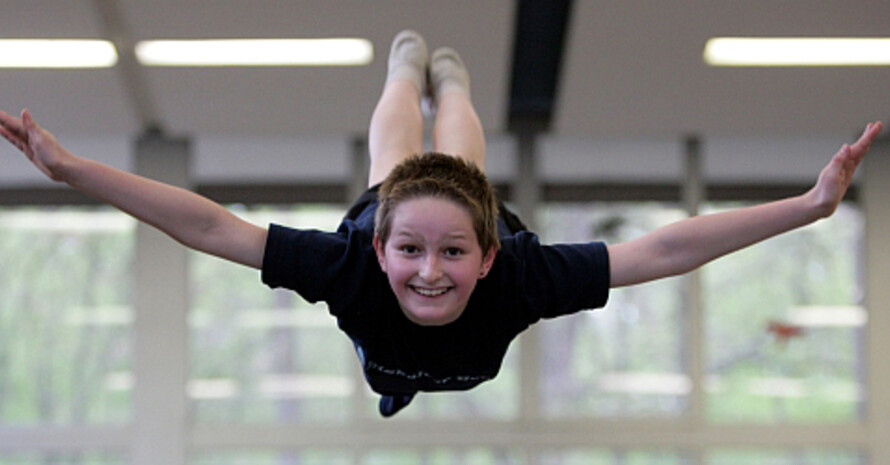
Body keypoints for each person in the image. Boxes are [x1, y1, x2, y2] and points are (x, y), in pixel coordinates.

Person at [0, 30, 883, 417]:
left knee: (445, 165)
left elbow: (666, 247)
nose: (429, 271)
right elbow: (209, 227)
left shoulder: (519, 271)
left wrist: (807, 208)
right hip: (394, 259)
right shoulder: (355, 263)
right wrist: (75, 171)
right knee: (402, 165)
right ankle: (414, 71)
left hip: (450, 229)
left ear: (491, 254)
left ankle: (448, 84)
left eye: (454, 253)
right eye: (411, 251)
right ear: (379, 249)